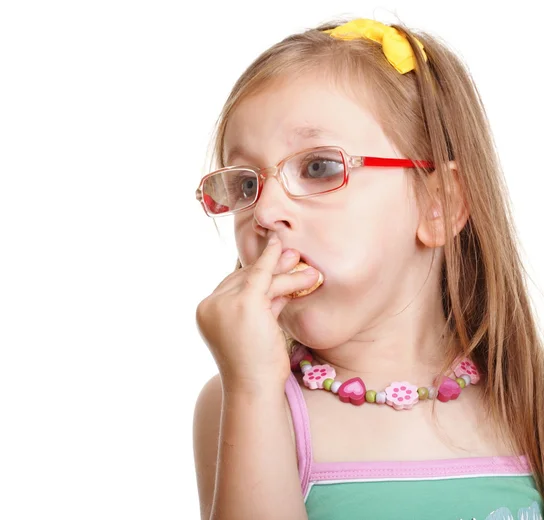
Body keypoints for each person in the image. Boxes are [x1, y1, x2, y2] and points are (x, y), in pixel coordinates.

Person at [192, 17, 544, 520]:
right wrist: (250, 387)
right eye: (246, 185)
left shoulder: (530, 400)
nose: (265, 213)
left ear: (437, 203)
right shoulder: (247, 400)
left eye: (317, 167)